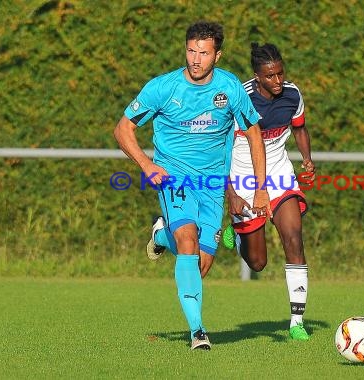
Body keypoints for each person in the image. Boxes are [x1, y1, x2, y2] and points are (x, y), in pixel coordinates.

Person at [114, 22, 271, 350]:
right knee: (187, 242)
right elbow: (123, 129)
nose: (196, 58)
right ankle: (198, 331)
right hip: (174, 178)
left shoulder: (230, 88)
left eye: (204, 52)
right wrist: (146, 165)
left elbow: (253, 132)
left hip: (212, 184)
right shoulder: (164, 87)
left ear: (217, 55)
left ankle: (160, 234)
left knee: (201, 264)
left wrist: (260, 187)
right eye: (191, 50)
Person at [223, 42, 316, 341]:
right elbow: (219, 146)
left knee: (294, 237)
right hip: (244, 181)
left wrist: (307, 159)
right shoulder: (239, 97)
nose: (278, 81)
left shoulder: (292, 94)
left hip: (279, 176)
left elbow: (300, 129)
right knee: (258, 263)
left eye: (280, 73)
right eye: (270, 76)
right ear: (257, 76)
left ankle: (296, 322)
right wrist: (231, 193)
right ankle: (235, 238)